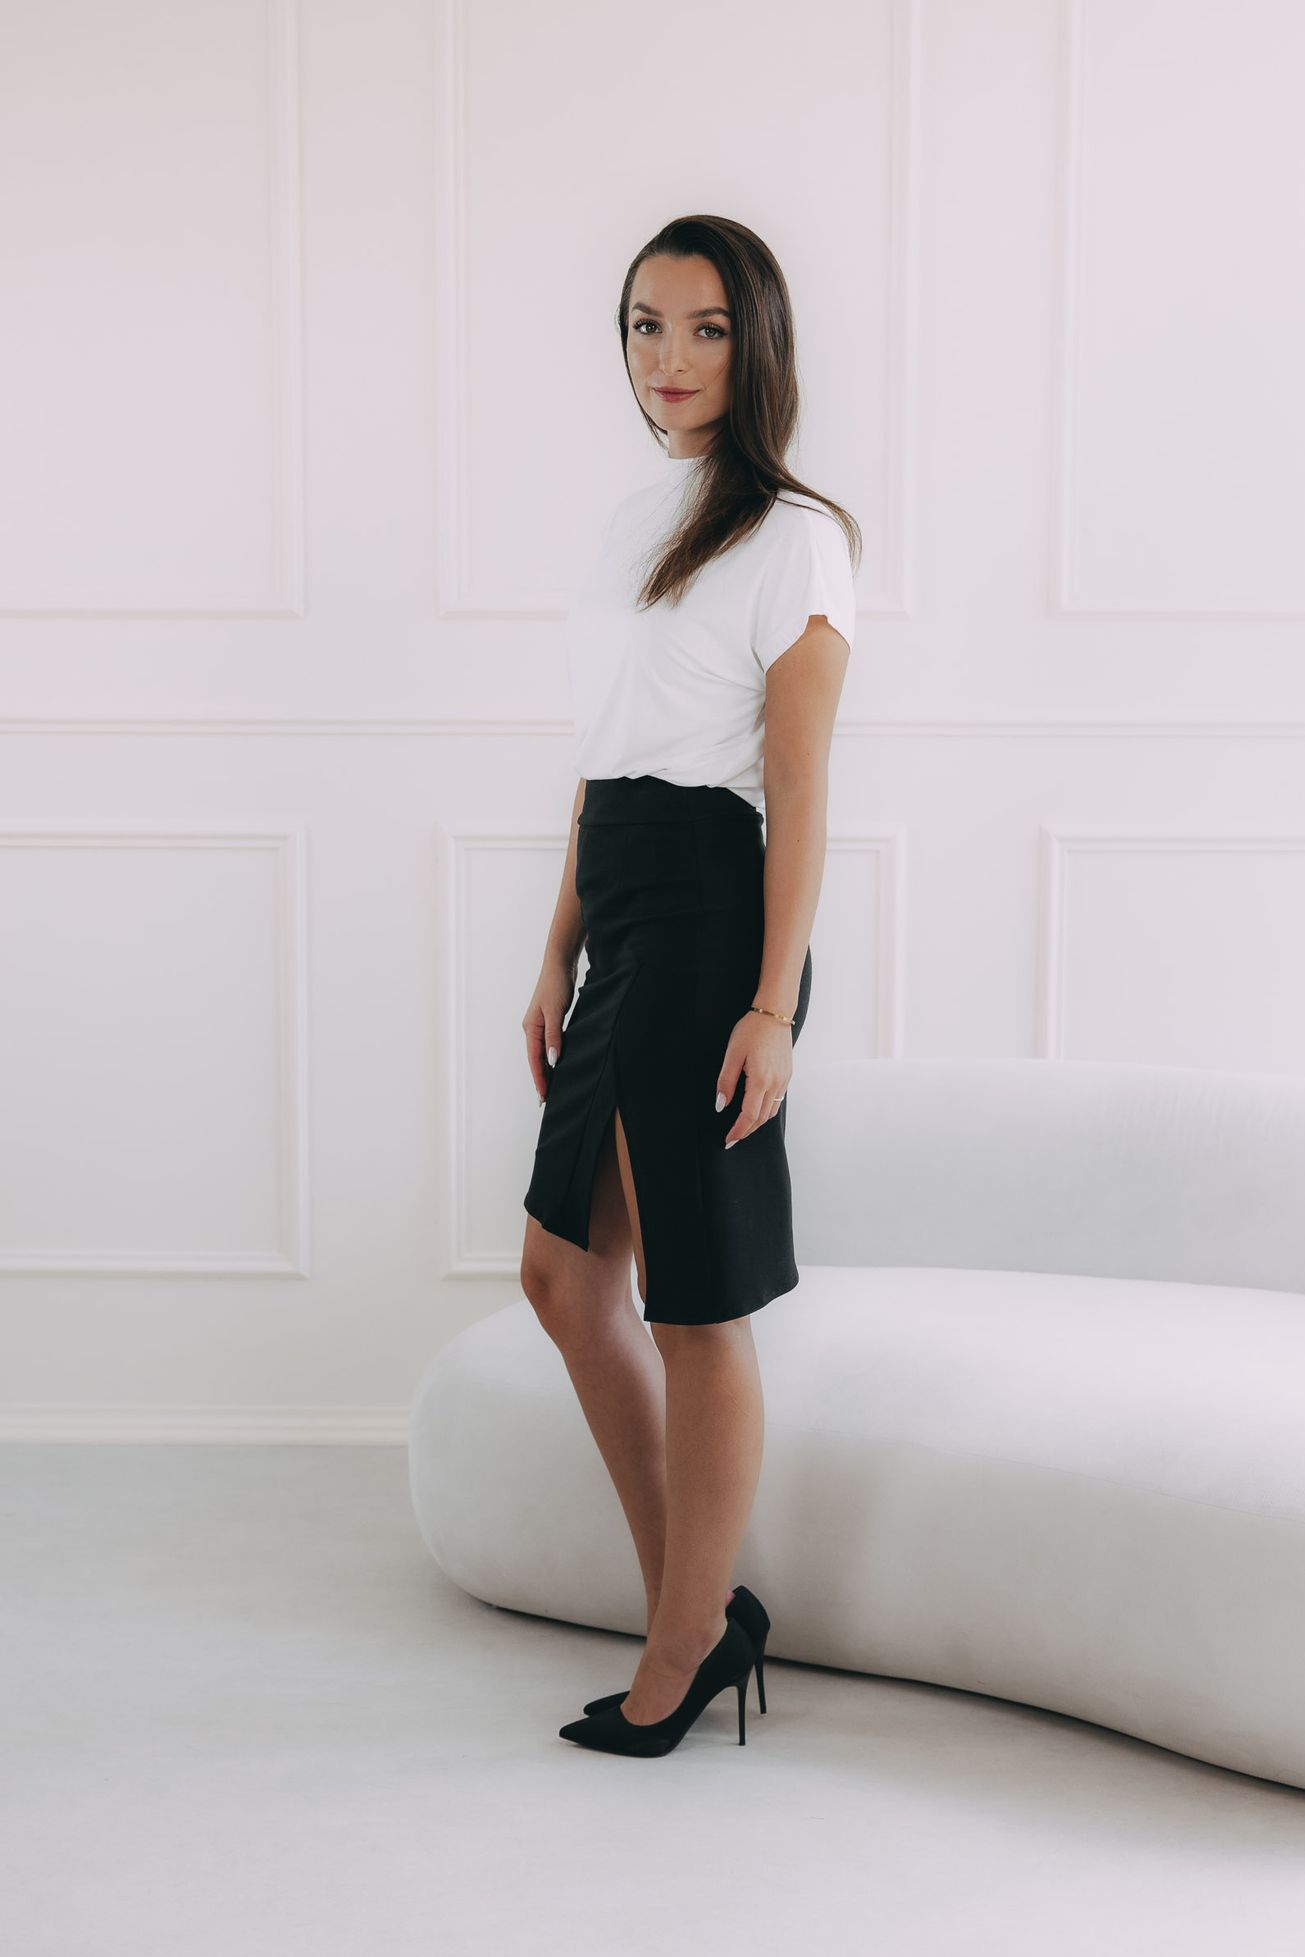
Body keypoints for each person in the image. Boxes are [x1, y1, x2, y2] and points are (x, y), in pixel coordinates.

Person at [519, 215, 859, 1757]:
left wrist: (772, 1006)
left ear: (756, 341)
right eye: (646, 325)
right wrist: (557, 947)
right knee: (560, 1275)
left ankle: (683, 1644)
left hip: (718, 917)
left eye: (706, 328)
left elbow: (799, 788)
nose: (669, 358)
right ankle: (701, 1614)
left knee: (689, 1298)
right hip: (623, 900)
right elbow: (603, 756)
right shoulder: (626, 523)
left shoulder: (795, 534)